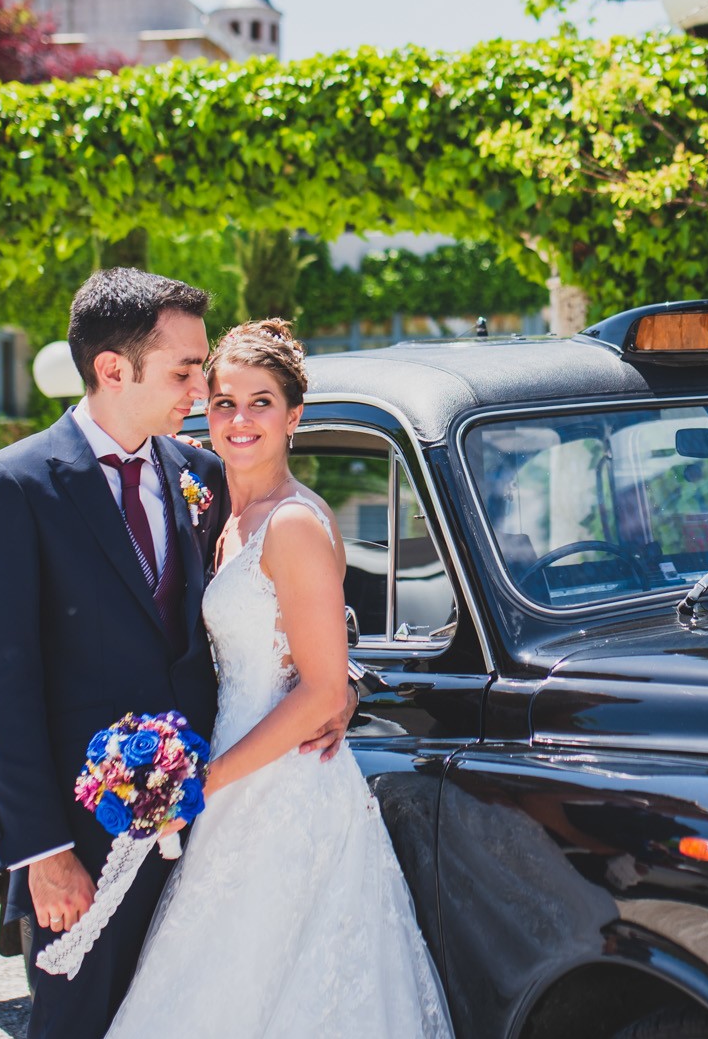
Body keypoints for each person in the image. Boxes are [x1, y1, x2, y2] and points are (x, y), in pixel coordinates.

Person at [0, 271, 357, 1039]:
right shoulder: (15, 485)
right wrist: (43, 853)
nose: (199, 389)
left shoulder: (199, 474)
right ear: (114, 369)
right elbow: (2, 687)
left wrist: (336, 688)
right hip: (84, 844)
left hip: (212, 836)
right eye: (185, 371)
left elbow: (280, 601)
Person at [105, 319, 454, 1036]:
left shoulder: (292, 522)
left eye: (260, 402)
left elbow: (323, 689)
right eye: (225, 400)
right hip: (236, 784)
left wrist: (202, 781)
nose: (239, 418)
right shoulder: (221, 511)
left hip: (286, 788)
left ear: (294, 415)